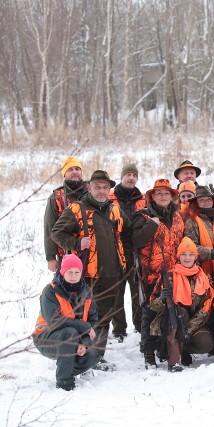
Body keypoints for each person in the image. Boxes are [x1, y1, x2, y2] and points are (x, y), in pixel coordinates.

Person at [51, 170, 128, 370]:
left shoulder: (115, 210)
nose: (101, 191)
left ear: (109, 189)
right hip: (88, 275)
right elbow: (57, 233)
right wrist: (76, 243)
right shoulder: (77, 209)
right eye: (97, 187)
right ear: (89, 188)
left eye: (105, 187)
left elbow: (127, 232)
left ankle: (95, 356)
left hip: (113, 273)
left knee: (104, 317)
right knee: (86, 317)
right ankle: (81, 356)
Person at [131, 179, 185, 368]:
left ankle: (165, 348)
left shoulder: (178, 217)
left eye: (166, 193)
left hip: (173, 273)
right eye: (159, 193)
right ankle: (147, 351)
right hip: (151, 273)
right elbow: (135, 241)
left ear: (172, 196)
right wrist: (151, 226)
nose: (163, 196)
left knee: (170, 311)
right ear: (152, 196)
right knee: (149, 312)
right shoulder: (143, 216)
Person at [32, 254, 99, 390]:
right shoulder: (50, 291)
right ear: (62, 272)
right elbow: (54, 321)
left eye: (77, 272)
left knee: (93, 355)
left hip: (73, 337)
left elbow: (92, 321)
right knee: (70, 333)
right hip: (45, 337)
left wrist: (84, 343)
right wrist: (84, 327)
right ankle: (64, 383)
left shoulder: (86, 292)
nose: (73, 276)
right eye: (69, 272)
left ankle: (65, 369)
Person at [149, 237, 214, 371]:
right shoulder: (169, 276)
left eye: (191, 254)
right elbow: (152, 305)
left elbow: (205, 309)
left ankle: (184, 349)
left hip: (194, 324)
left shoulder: (203, 278)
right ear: (179, 256)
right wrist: (161, 299)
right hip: (171, 324)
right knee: (180, 313)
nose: (187, 258)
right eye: (183, 254)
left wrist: (189, 331)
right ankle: (173, 353)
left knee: (206, 343)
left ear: (195, 257)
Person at [108, 163, 146, 337]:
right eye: (128, 175)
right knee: (116, 293)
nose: (131, 178)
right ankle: (119, 329)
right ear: (121, 177)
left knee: (137, 293)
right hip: (115, 251)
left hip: (137, 251)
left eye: (134, 175)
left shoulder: (144, 199)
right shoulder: (109, 198)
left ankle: (139, 326)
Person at [44, 156, 88, 273]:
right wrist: (51, 257)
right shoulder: (56, 197)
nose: (74, 172)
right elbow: (49, 227)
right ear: (64, 174)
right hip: (67, 253)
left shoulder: (92, 191)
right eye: (70, 170)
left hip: (92, 251)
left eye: (77, 169)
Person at [183, 186, 214, 277]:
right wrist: (211, 253)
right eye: (202, 200)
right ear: (196, 203)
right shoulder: (192, 221)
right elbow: (190, 247)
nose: (206, 203)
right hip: (201, 269)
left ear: (213, 201)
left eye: (209, 199)